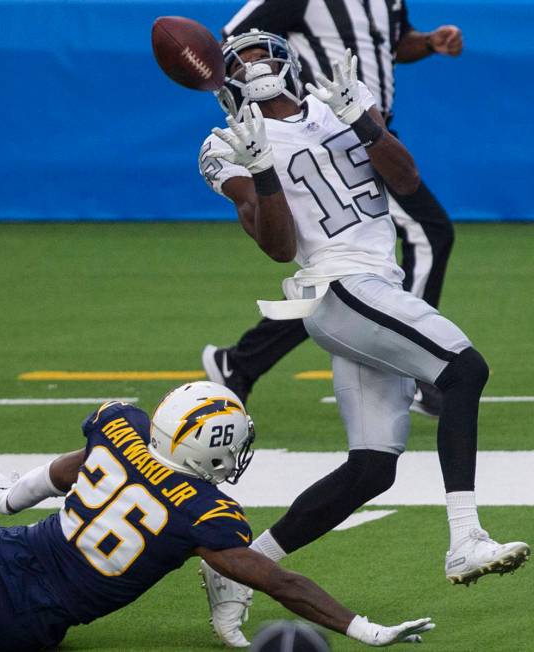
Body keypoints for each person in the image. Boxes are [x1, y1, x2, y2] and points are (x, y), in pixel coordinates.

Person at [197, 30, 529, 647]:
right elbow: (277, 247)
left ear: (287, 59)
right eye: (240, 60)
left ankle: (240, 568)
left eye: (262, 53)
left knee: (372, 470)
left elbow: (407, 180)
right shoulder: (223, 145)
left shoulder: (336, 103)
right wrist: (264, 171)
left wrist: (365, 122)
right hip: (339, 287)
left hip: (377, 283)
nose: (256, 65)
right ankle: (465, 538)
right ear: (223, 78)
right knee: (464, 370)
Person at [0, 383, 433, 651]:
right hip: (27, 632)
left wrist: (12, 497)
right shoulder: (204, 513)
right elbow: (280, 583)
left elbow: (73, 465)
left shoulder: (120, 427)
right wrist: (362, 628)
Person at [202, 0, 463, 416]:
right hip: (323, 128)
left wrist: (428, 43)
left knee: (344, 271)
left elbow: (394, 44)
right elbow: (235, 43)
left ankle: (240, 362)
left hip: (362, 122)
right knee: (429, 234)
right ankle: (417, 369)